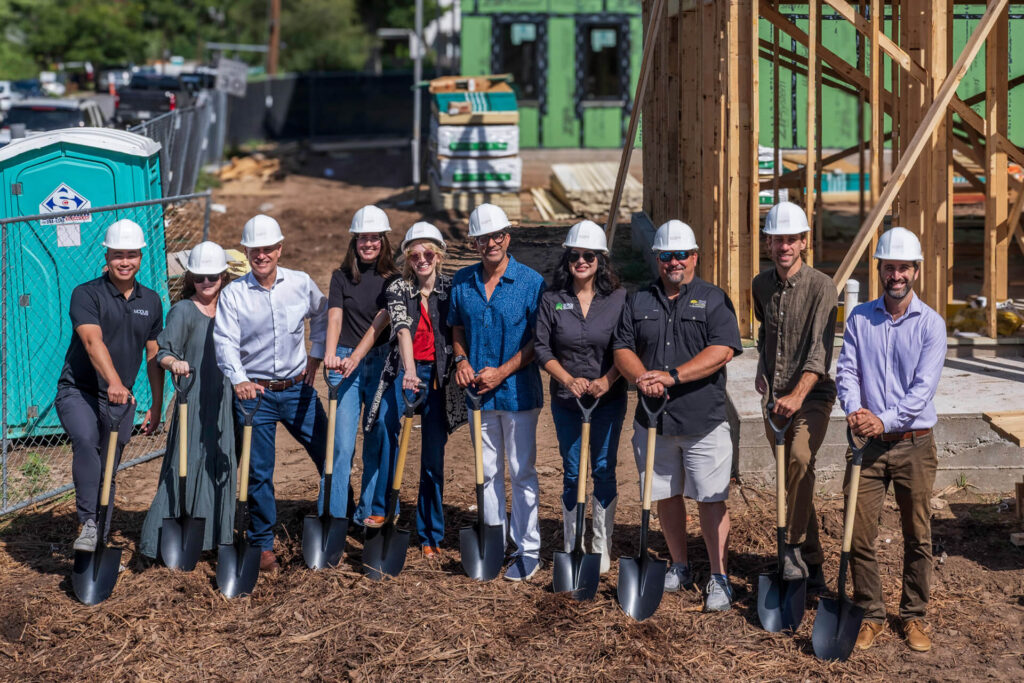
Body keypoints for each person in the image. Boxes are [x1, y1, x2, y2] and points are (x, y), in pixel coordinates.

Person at [613, 219, 743, 612]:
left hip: (703, 420)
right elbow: (622, 347)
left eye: (681, 255)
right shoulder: (638, 301)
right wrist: (641, 378)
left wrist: (672, 376)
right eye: (667, 256)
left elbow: (722, 349)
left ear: (694, 257)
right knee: (666, 495)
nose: (674, 262)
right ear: (657, 259)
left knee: (711, 497)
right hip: (655, 421)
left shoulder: (713, 298)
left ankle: (719, 576)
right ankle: (680, 564)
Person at [835, 227, 946, 653]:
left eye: (903, 267)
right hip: (867, 443)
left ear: (916, 270)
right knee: (857, 532)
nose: (895, 274)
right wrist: (853, 410)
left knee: (917, 534)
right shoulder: (861, 317)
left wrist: (882, 419)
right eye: (889, 267)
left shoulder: (931, 325)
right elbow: (847, 370)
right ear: (879, 269)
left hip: (914, 444)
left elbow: (922, 390)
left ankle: (914, 616)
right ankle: (873, 613)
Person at [213, 214, 329, 572]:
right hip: (256, 395)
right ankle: (263, 542)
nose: (261, 255)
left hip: (298, 388)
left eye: (268, 249)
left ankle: (340, 514)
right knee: (259, 470)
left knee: (329, 454)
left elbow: (323, 315)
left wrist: (316, 356)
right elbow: (225, 341)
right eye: (254, 250)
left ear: (280, 249)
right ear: (246, 252)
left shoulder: (300, 283)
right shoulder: (234, 294)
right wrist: (239, 380)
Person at [448, 203, 546, 581]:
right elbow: (456, 328)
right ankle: (494, 542)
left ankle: (528, 549)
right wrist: (461, 360)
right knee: (485, 472)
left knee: (521, 472)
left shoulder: (530, 282)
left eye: (497, 236)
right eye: (483, 238)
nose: (491, 243)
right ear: (473, 243)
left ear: (508, 237)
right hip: (478, 396)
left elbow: (541, 340)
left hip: (519, 394)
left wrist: (502, 371)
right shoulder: (462, 282)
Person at [361, 222, 467, 560]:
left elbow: (457, 332)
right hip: (403, 374)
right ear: (408, 258)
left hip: (438, 377)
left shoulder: (451, 290)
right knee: (387, 435)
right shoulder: (398, 288)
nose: (422, 259)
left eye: (428, 253)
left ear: (438, 255)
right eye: (415, 254)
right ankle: (382, 509)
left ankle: (430, 531)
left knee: (432, 457)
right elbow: (402, 330)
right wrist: (408, 373)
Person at [57, 219, 164, 552]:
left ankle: (99, 539)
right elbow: (92, 341)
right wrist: (115, 381)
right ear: (107, 254)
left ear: (141, 256)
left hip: (121, 400)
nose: (125, 261)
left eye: (132, 254)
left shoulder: (152, 300)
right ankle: (88, 523)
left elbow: (153, 355)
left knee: (108, 469)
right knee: (87, 442)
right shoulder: (87, 294)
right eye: (118, 254)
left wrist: (158, 405)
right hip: (81, 391)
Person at [751, 202, 838, 592]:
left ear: (804, 242)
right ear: (768, 243)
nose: (784, 246)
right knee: (795, 481)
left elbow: (820, 353)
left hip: (813, 396)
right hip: (774, 400)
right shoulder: (760, 284)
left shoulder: (822, 287)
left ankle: (790, 546)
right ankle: (813, 562)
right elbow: (765, 333)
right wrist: (761, 370)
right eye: (777, 239)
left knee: (801, 460)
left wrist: (797, 395)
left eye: (791, 239)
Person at [535, 220, 627, 574]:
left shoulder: (618, 299)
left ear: (600, 260)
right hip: (567, 400)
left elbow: (627, 345)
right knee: (573, 472)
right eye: (575, 255)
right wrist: (568, 379)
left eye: (589, 255)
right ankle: (573, 542)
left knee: (603, 469)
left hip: (607, 399)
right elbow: (542, 348)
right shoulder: (552, 299)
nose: (582, 261)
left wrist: (608, 378)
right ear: (567, 259)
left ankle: (600, 545)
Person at [140, 242, 236, 561]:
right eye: (200, 277)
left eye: (213, 276)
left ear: (223, 275)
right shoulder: (183, 311)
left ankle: (211, 536)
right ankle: (159, 542)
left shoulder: (232, 307)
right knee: (187, 461)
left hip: (228, 400)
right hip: (193, 399)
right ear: (191, 278)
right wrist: (174, 364)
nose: (207, 283)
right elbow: (163, 353)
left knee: (221, 464)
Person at [323, 205, 399, 529]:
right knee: (340, 445)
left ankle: (368, 511)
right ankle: (334, 516)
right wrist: (330, 355)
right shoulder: (340, 277)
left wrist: (355, 356)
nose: (368, 244)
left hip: (380, 361)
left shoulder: (393, 280)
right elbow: (335, 316)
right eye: (362, 238)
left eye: (374, 238)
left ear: (383, 241)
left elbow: (381, 324)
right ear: (354, 242)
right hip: (343, 362)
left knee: (377, 436)